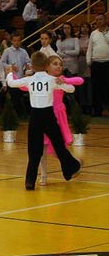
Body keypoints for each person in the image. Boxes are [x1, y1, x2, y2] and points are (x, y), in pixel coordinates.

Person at [6, 51, 82, 190]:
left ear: (32, 66)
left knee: (34, 150)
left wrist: (10, 72)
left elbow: (11, 83)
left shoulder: (29, 80)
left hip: (35, 116)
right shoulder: (52, 80)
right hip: (48, 116)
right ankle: (71, 168)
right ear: (47, 65)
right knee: (58, 145)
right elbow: (71, 89)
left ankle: (30, 181)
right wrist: (63, 82)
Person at [38, 55, 84, 186]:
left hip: (58, 115)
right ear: (47, 67)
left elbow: (80, 80)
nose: (59, 66)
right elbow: (23, 86)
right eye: (55, 64)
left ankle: (73, 163)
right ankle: (43, 175)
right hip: (44, 113)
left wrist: (63, 82)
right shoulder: (42, 79)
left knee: (59, 148)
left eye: (60, 64)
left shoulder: (62, 79)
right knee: (43, 145)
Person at [1, 32, 31, 118]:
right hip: (12, 78)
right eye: (14, 40)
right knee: (15, 97)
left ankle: (21, 113)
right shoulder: (7, 51)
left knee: (20, 96)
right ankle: (17, 114)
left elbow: (28, 61)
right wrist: (10, 66)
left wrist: (28, 65)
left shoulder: (23, 51)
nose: (16, 42)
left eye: (18, 40)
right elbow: (2, 62)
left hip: (21, 78)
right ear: (11, 41)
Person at [86, 14, 109, 117]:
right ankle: (97, 110)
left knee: (107, 87)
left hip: (107, 63)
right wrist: (88, 61)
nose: (99, 21)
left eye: (101, 19)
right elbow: (89, 48)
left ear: (105, 20)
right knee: (96, 88)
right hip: (95, 64)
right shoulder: (93, 34)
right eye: (97, 20)